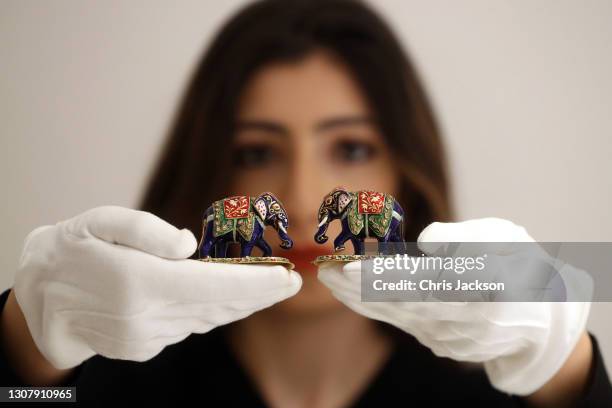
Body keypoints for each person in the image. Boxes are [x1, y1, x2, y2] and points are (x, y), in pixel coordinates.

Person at [1, 0, 611, 405]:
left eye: (349, 148)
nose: (299, 200)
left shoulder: (482, 391)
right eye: (256, 153)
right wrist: (22, 354)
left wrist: (563, 367)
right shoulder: (109, 378)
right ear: (207, 169)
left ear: (405, 168)